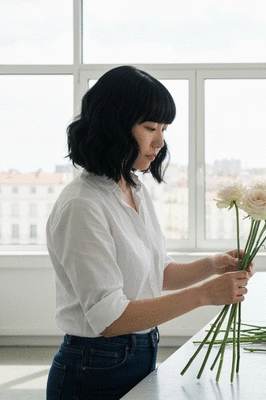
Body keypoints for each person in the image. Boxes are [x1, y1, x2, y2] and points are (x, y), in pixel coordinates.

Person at [46, 65, 252, 400]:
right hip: (94, 366)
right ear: (114, 125)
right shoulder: (82, 205)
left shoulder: (133, 188)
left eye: (164, 129)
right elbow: (109, 319)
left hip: (137, 352)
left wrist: (214, 265)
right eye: (149, 127)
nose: (159, 141)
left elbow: (157, 274)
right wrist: (204, 295)